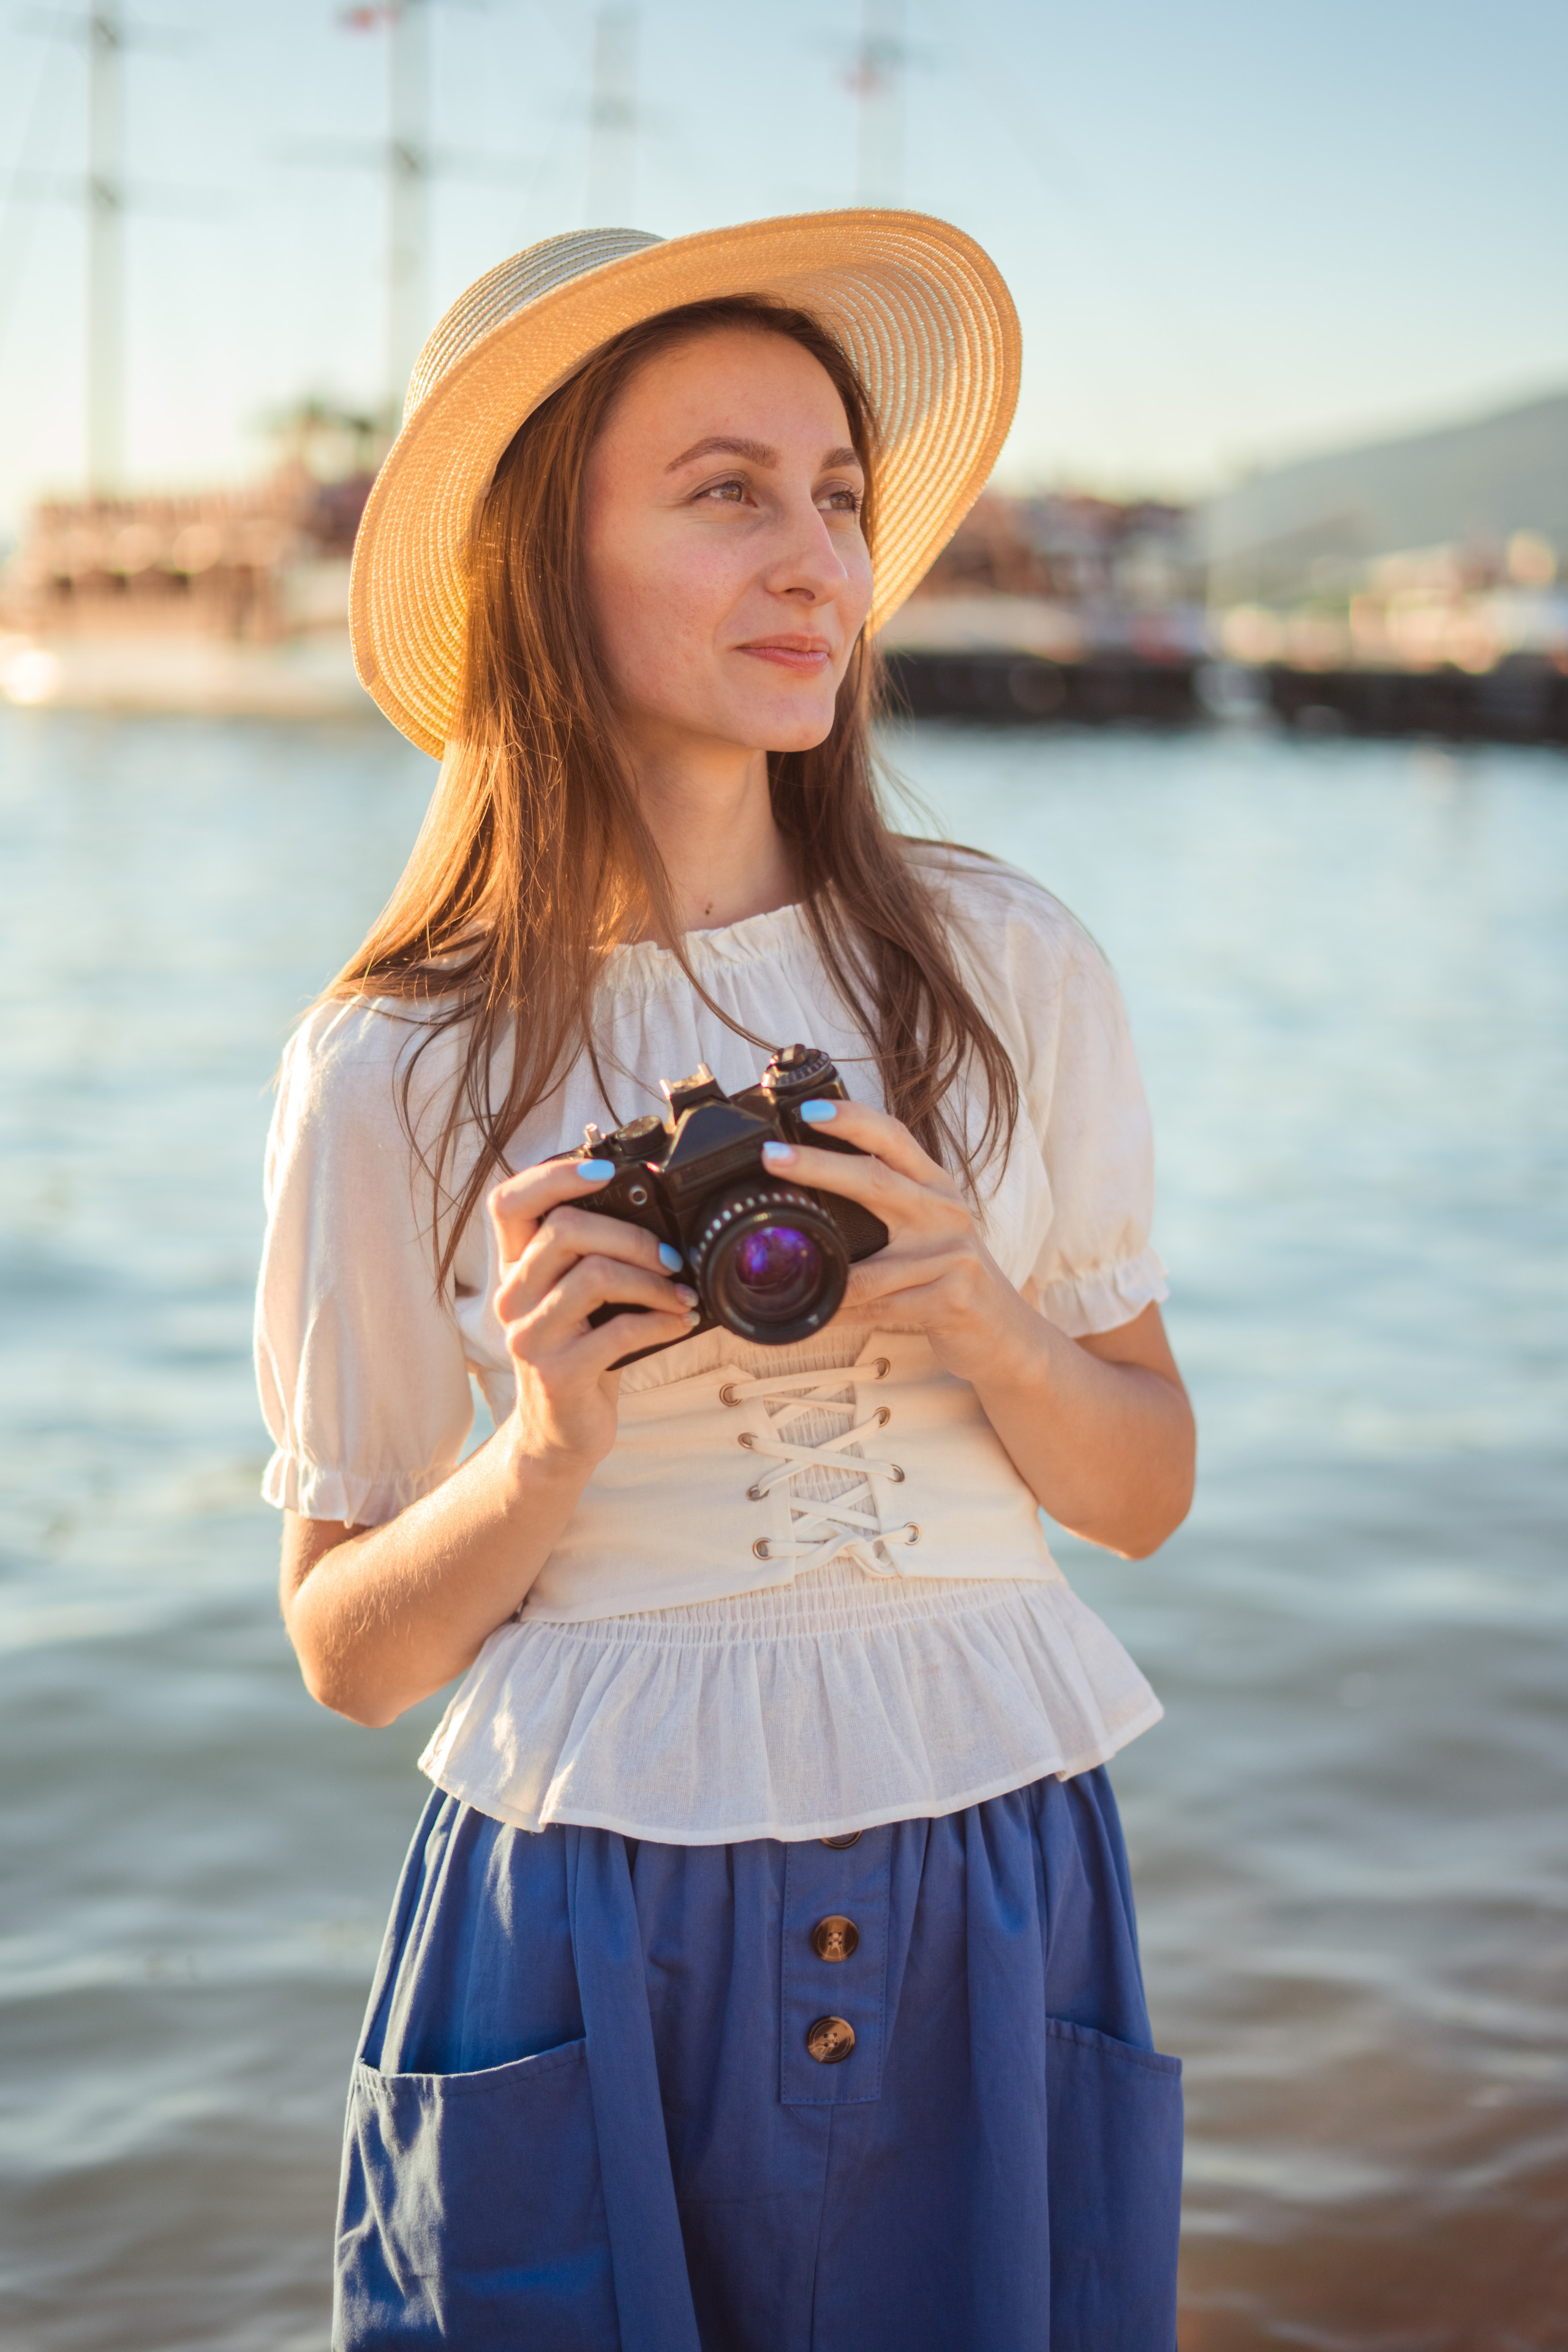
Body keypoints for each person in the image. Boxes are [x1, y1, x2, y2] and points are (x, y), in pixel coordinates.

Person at [255, 211, 1194, 2351]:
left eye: (840, 498)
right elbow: (347, 1648)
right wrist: (544, 1449)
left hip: (993, 1874)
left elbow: (1142, 1491)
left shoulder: (1003, 968)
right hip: (585, 1912)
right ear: (539, 564)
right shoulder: (395, 1060)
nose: (818, 565)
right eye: (724, 496)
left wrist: (976, 1309)